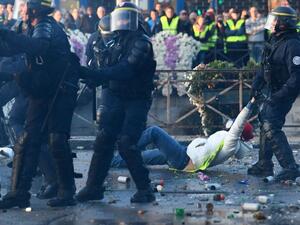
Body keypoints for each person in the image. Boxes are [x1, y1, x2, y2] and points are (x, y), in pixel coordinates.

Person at [0, 0, 80, 209]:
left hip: (60, 92)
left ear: (36, 9)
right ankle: (19, 193)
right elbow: (11, 48)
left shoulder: (45, 26)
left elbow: (37, 47)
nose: (23, 10)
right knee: (27, 140)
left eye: (26, 6)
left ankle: (66, 191)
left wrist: (5, 33)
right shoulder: (35, 27)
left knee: (57, 140)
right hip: (41, 91)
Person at [76, 2, 156, 203]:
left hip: (137, 98)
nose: (122, 22)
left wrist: (98, 74)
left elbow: (126, 69)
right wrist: (93, 74)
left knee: (127, 142)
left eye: (126, 18)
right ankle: (93, 187)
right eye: (119, 18)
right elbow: (107, 66)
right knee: (104, 139)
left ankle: (145, 189)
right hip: (115, 95)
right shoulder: (115, 40)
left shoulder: (142, 42)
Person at [112, 99, 254, 170]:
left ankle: (124, 146)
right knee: (142, 157)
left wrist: (250, 105)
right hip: (184, 154)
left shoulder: (231, 143)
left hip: (183, 159)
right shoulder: (230, 144)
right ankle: (111, 162)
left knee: (154, 132)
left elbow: (238, 125)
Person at [248, 6, 300, 182]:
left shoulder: (293, 44)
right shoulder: (275, 39)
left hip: (284, 91)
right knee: (264, 120)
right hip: (272, 88)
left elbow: (296, 78)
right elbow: (265, 66)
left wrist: (278, 96)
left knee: (271, 124)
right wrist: (256, 85)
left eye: (275, 20)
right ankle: (264, 164)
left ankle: (290, 167)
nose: (271, 24)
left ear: (284, 24)